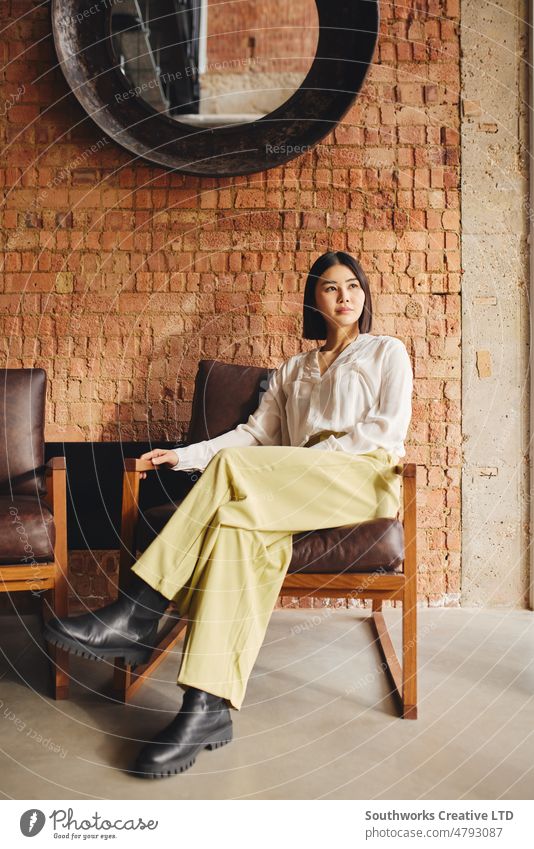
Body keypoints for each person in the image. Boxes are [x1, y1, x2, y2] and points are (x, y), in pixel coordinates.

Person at [43, 250, 413, 779]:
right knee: (238, 529)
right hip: (288, 487)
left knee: (241, 470)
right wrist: (181, 455)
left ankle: (140, 610)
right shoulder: (293, 369)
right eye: (331, 288)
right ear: (314, 298)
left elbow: (384, 433)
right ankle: (206, 708)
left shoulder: (386, 352)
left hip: (361, 479)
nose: (345, 297)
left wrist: (292, 465)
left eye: (353, 286)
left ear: (365, 293)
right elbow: (254, 437)